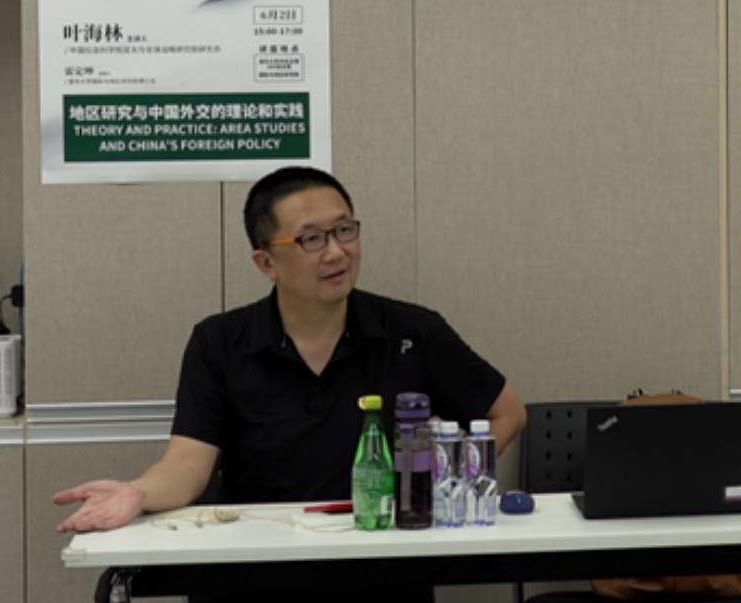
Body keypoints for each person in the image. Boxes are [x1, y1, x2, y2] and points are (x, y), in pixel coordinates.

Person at [54, 166, 528, 600]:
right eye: (311, 239)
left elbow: (507, 413)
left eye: (345, 230)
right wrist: (138, 492)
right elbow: (186, 464)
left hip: (381, 575)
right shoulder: (220, 343)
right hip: (251, 575)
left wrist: (441, 486)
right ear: (266, 263)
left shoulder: (412, 332)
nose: (337, 251)